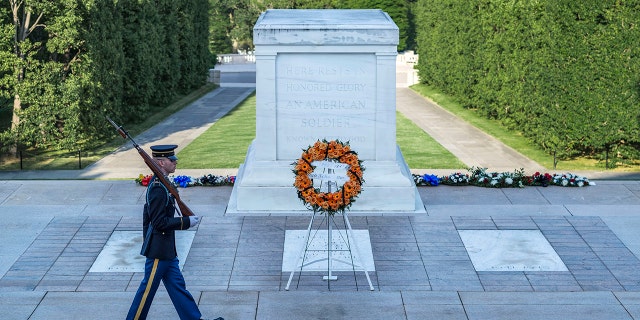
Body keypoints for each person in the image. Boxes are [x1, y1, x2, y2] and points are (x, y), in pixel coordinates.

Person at [126, 145, 223, 320]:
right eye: (172, 160)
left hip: (166, 250)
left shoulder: (163, 184)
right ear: (161, 163)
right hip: (158, 251)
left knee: (178, 287)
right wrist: (185, 222)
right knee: (146, 291)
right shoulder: (157, 188)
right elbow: (158, 222)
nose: (175, 162)